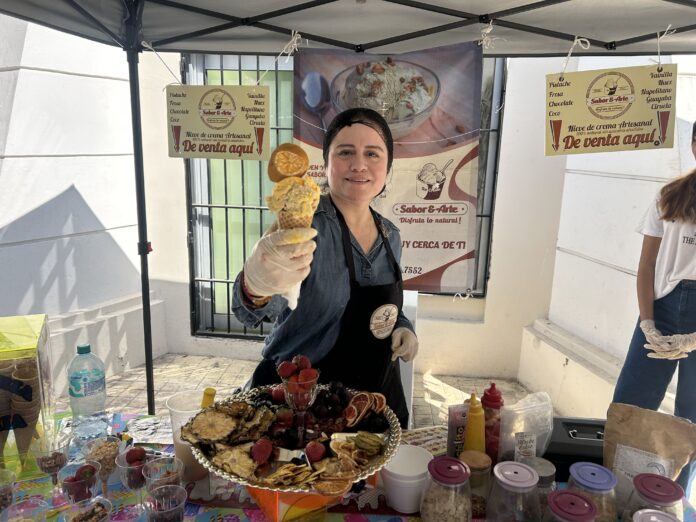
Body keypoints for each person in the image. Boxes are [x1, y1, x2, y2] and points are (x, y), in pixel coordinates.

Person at [232, 108, 418, 428]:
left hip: (374, 405)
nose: (359, 164)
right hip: (302, 409)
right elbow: (250, 312)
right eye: (345, 152)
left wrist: (403, 326)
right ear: (327, 162)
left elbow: (384, 308)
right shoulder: (303, 227)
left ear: (387, 166)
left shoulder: (391, 235)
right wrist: (255, 286)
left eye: (372, 153)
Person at [613, 121, 696, 494]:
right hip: (662, 305)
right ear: (694, 145)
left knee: (692, 416)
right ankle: (620, 490)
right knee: (631, 404)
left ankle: (673, 499)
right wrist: (647, 323)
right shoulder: (670, 195)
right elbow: (647, 265)